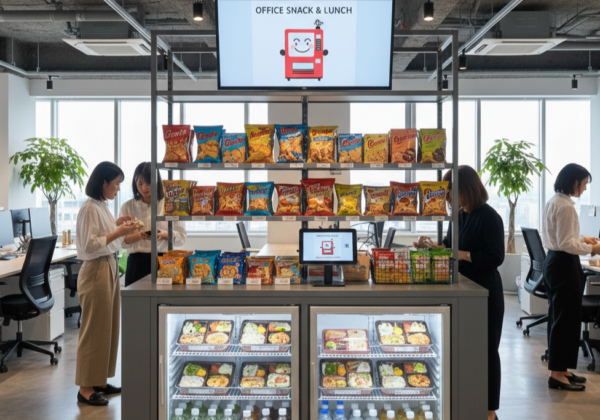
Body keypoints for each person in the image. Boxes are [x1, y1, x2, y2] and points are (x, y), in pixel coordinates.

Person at [414, 165, 504, 420]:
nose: (447, 196)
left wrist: (461, 254)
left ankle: (489, 411)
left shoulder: (490, 217)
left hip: (485, 290)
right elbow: (449, 247)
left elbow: (495, 256)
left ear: (466, 189)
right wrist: (431, 245)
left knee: (487, 351)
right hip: (464, 287)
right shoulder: (460, 216)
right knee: (467, 349)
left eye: (450, 190)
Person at [75, 161, 139, 406]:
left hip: (109, 265)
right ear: (103, 183)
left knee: (107, 328)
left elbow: (105, 236)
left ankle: (99, 380)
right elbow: (90, 244)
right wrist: (119, 232)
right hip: (96, 269)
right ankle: (85, 388)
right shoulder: (89, 208)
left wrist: (117, 224)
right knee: (93, 330)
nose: (118, 188)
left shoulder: (102, 206)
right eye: (116, 184)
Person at [542, 163, 600, 391]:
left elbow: (560, 237)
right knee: (565, 320)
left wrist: (583, 239)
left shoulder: (555, 201)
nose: (584, 188)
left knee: (560, 317)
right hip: (564, 264)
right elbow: (566, 244)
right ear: (574, 181)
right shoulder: (566, 207)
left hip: (556, 261)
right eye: (584, 184)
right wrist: (594, 249)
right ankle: (557, 374)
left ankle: (562, 369)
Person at [119, 162, 187, 286]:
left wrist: (166, 234)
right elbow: (121, 242)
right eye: (140, 183)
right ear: (135, 182)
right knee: (136, 298)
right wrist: (139, 236)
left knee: (163, 297)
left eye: (149, 183)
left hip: (164, 261)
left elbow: (182, 238)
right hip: (136, 263)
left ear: (157, 182)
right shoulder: (127, 206)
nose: (144, 188)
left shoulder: (170, 204)